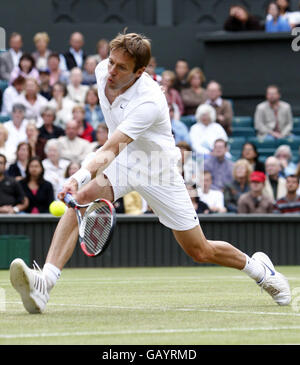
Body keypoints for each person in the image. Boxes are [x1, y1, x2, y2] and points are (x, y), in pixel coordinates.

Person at [9, 31, 291, 315]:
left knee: (199, 250)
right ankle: (44, 284)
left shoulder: (150, 101)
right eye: (111, 62)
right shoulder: (100, 72)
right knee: (80, 200)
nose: (111, 71)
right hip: (125, 160)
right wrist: (79, 184)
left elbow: (110, 148)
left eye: (121, 68)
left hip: (159, 170)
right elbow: (114, 150)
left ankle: (261, 271)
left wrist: (76, 176)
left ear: (140, 71)